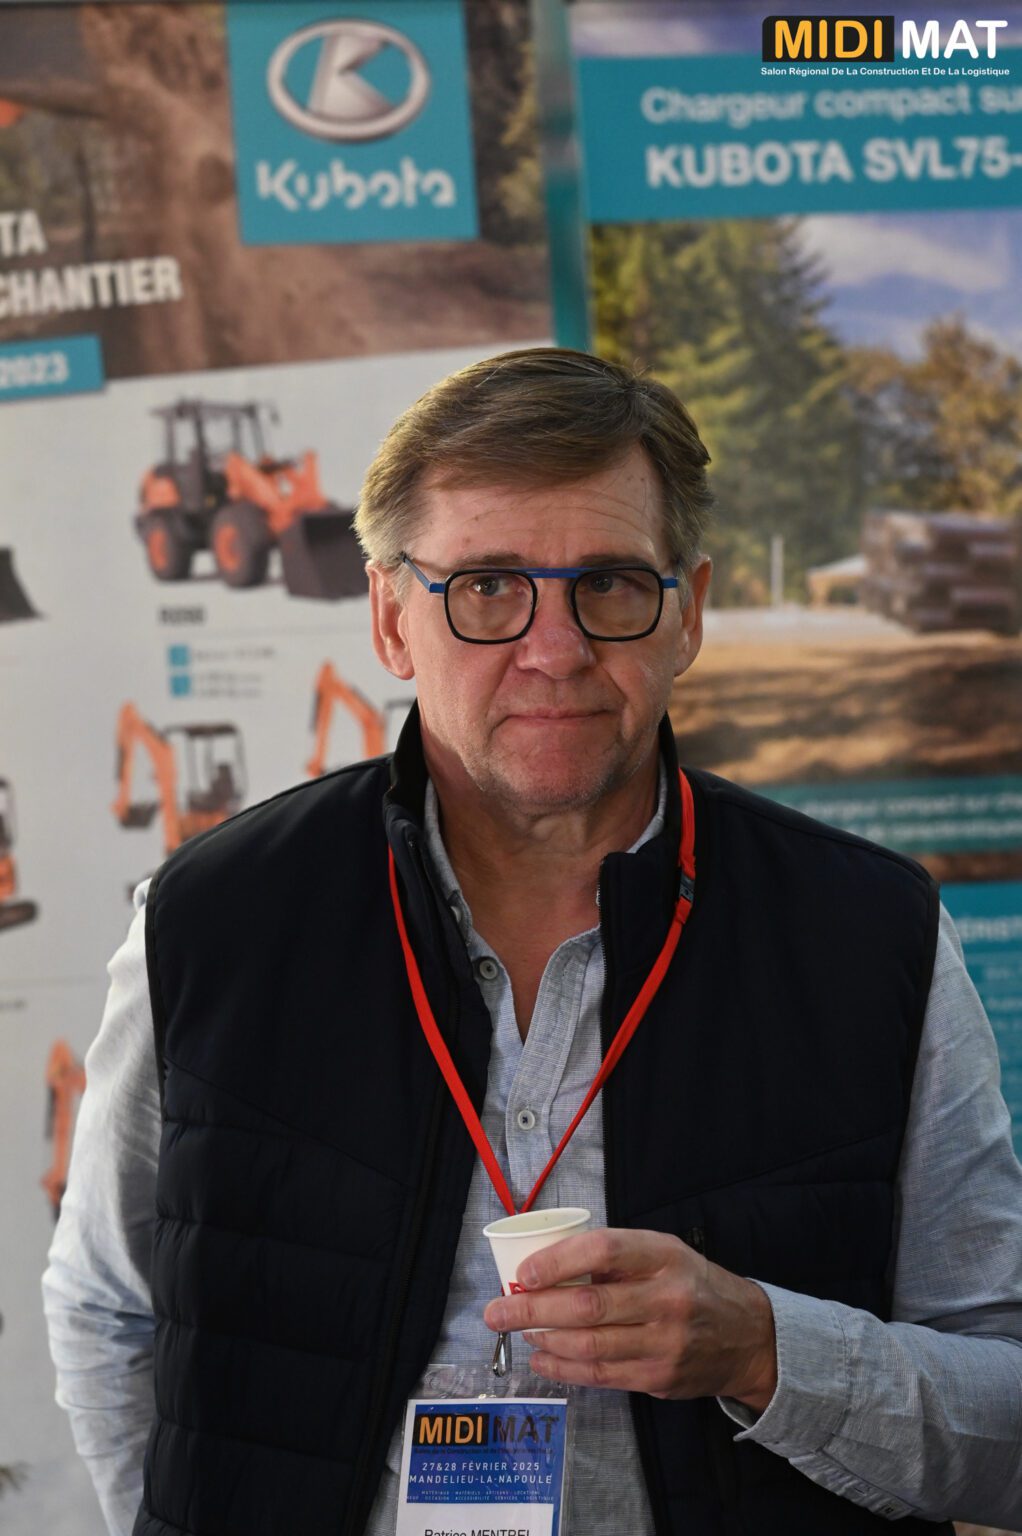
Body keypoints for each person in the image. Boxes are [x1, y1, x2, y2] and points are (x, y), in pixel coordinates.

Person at [44, 347, 1022, 1536]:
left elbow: (1005, 1421)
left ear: (688, 611)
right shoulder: (214, 922)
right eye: (487, 587)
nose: (553, 649)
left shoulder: (868, 936)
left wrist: (766, 1349)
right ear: (391, 619)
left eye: (608, 584)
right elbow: (108, 1315)